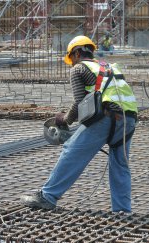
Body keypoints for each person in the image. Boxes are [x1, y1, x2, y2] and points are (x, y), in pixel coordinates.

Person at [20, 35, 138, 212]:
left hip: (105, 117)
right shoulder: (108, 66)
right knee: (120, 164)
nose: (72, 62)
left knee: (72, 152)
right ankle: (122, 210)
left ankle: (48, 196)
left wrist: (64, 119)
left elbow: (79, 104)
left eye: (71, 58)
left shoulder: (79, 69)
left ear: (76, 53)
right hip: (128, 118)